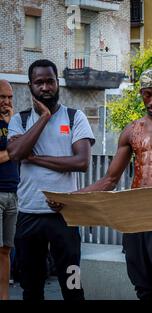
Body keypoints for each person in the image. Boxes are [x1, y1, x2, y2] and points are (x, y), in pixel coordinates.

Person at [55, 67, 152, 300]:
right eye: (147, 94)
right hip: (134, 214)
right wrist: (71, 200)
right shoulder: (131, 130)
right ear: (140, 93)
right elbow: (110, 180)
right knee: (142, 286)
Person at [7, 59, 95, 300]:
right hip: (29, 215)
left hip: (65, 216)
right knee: (31, 287)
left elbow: (81, 163)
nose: (45, 87)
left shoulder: (75, 117)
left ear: (58, 84)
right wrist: (44, 117)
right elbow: (15, 154)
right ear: (30, 86)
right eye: (39, 82)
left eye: (50, 81)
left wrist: (34, 158)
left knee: (73, 286)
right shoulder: (20, 120)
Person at [0, 80, 19, 300]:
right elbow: (16, 152)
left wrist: (11, 123)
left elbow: (22, 149)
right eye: (1, 97)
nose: (6, 102)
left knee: (5, 251)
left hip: (13, 194)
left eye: (9, 97)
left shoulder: (13, 123)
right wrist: (12, 153)